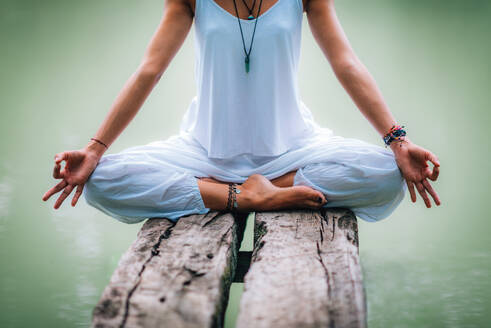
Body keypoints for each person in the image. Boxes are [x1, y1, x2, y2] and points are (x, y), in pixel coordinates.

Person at [42, 0, 440, 224]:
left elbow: (346, 63)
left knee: (389, 175)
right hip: (206, 152)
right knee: (100, 180)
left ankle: (259, 190)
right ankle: (248, 197)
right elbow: (150, 70)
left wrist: (397, 141)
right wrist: (94, 151)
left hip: (291, 150)